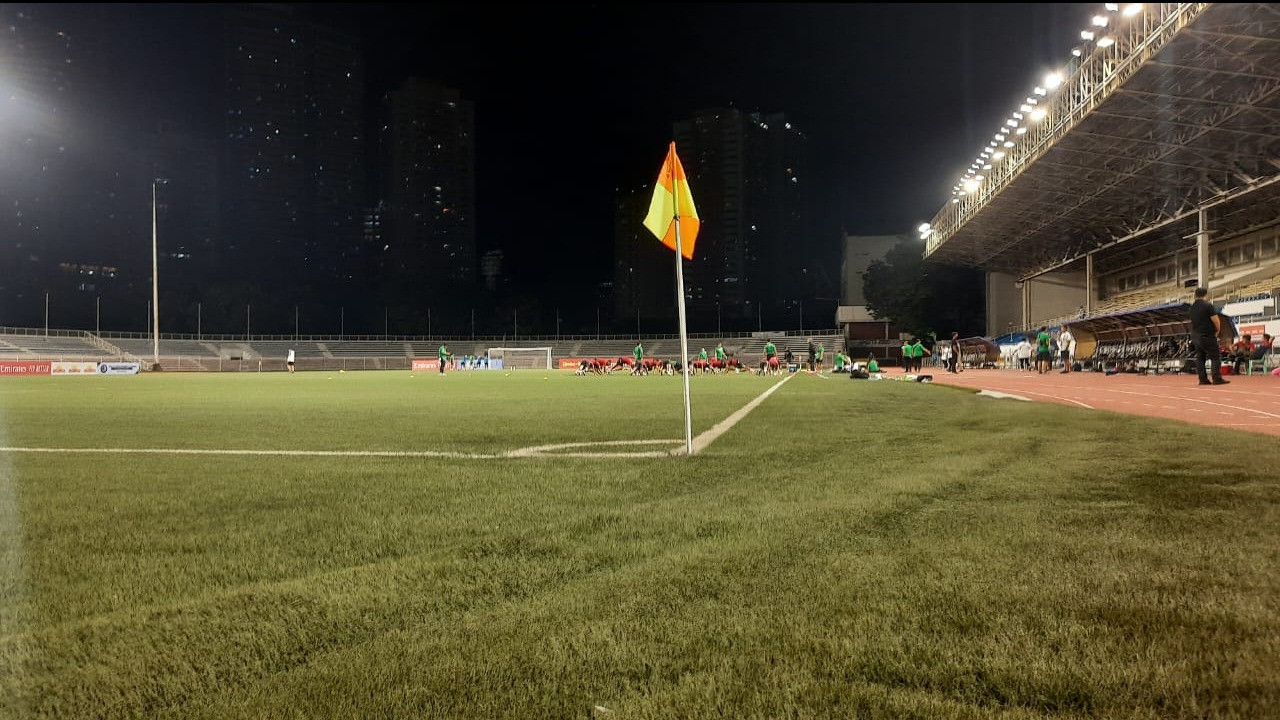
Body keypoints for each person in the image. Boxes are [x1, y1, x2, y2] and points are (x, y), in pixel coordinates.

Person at [1189, 286, 1228, 385]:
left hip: (1195, 335)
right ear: (1205, 295)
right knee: (1215, 356)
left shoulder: (1191, 308)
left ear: (1195, 295)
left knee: (1200, 357)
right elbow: (1215, 320)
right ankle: (1217, 378)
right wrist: (1218, 330)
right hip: (1207, 334)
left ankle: (1202, 379)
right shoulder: (1207, 305)